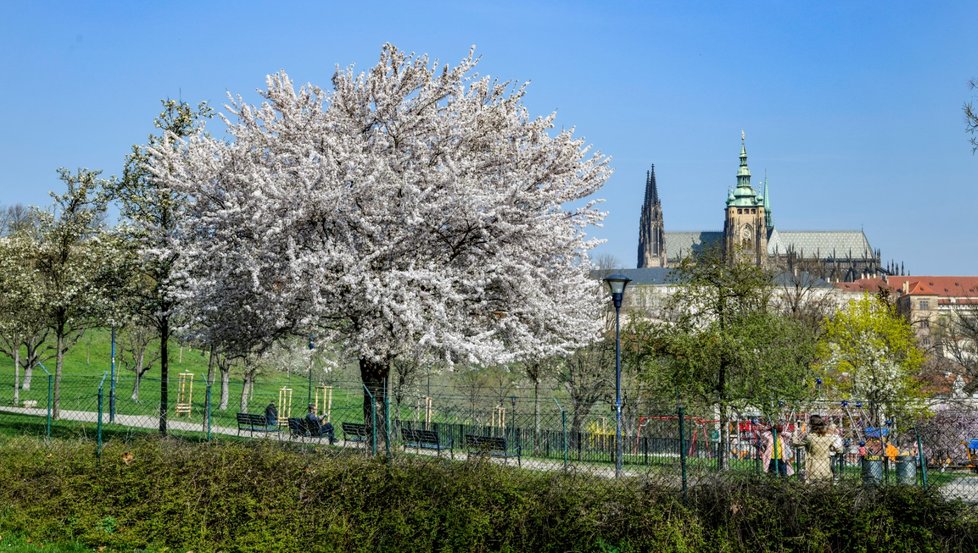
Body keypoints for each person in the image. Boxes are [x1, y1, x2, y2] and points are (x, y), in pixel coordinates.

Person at [793, 415, 841, 483]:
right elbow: (840, 449)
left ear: (811, 425)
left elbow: (795, 443)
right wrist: (835, 457)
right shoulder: (829, 437)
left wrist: (795, 431)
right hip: (826, 468)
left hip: (812, 468)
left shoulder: (809, 437)